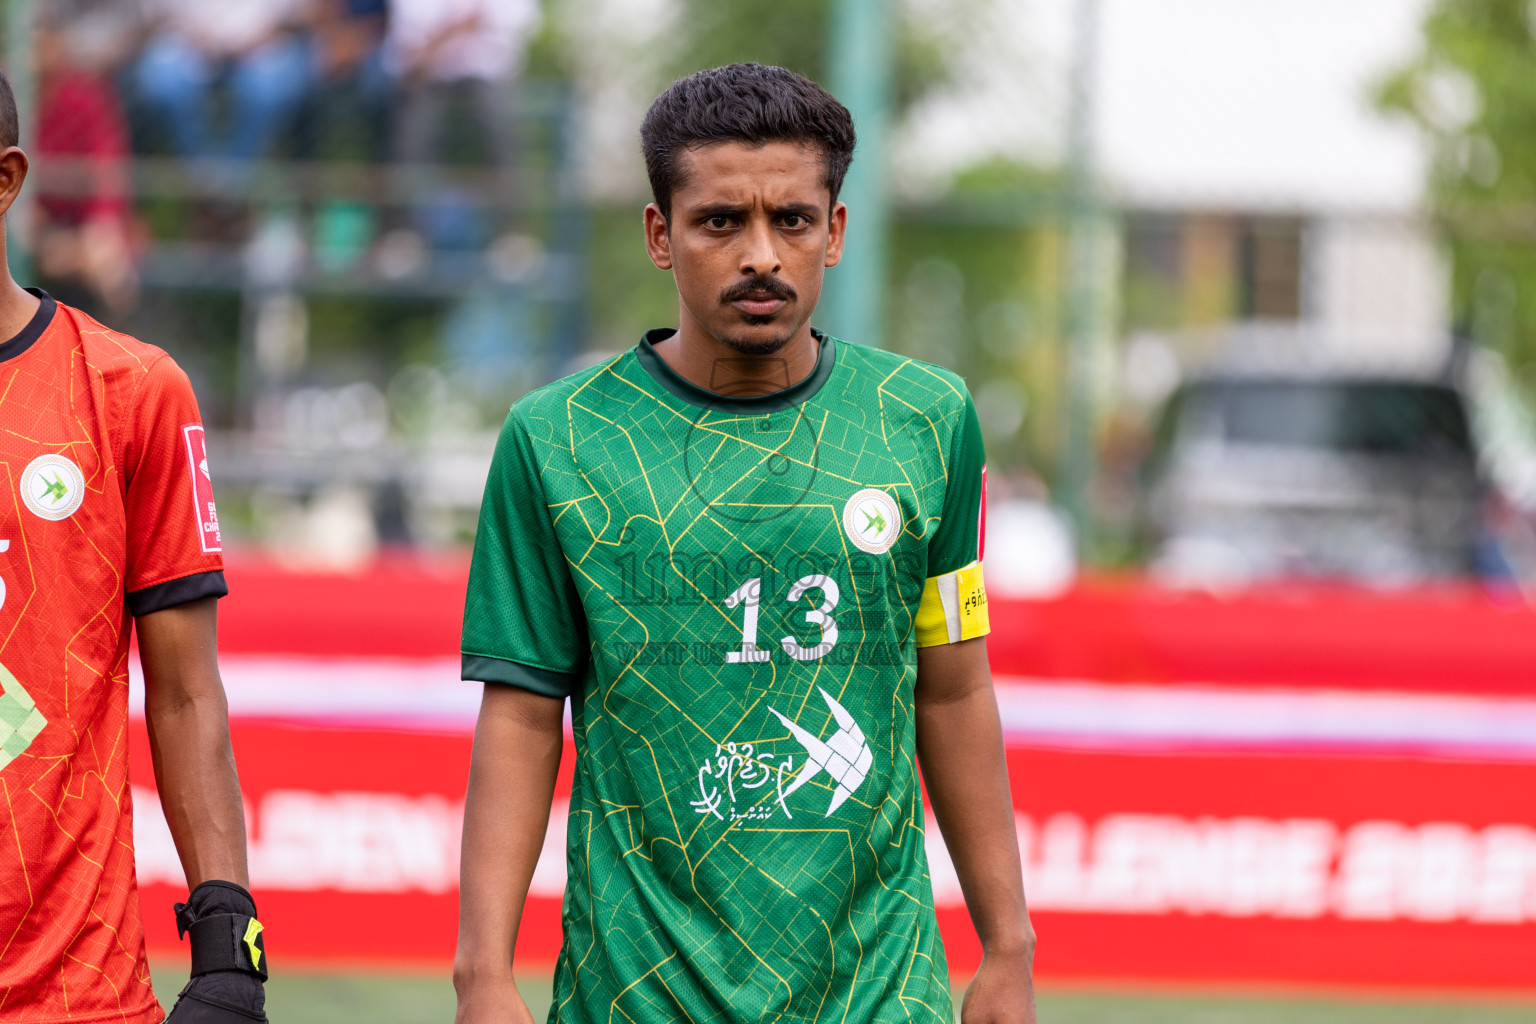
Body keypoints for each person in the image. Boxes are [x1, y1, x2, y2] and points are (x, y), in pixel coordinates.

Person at [454, 63, 1038, 1024]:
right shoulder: (555, 440)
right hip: (635, 996)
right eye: (720, 221)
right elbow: (521, 715)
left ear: (835, 234)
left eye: (793, 221)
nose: (760, 254)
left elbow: (956, 685)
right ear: (660, 234)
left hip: (878, 994)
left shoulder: (927, 420)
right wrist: (483, 975)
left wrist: (1008, 947)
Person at [0, 70, 268, 1023]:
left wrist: (229, 943)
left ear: (6, 180)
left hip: (76, 995)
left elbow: (188, 691)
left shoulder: (129, 391)